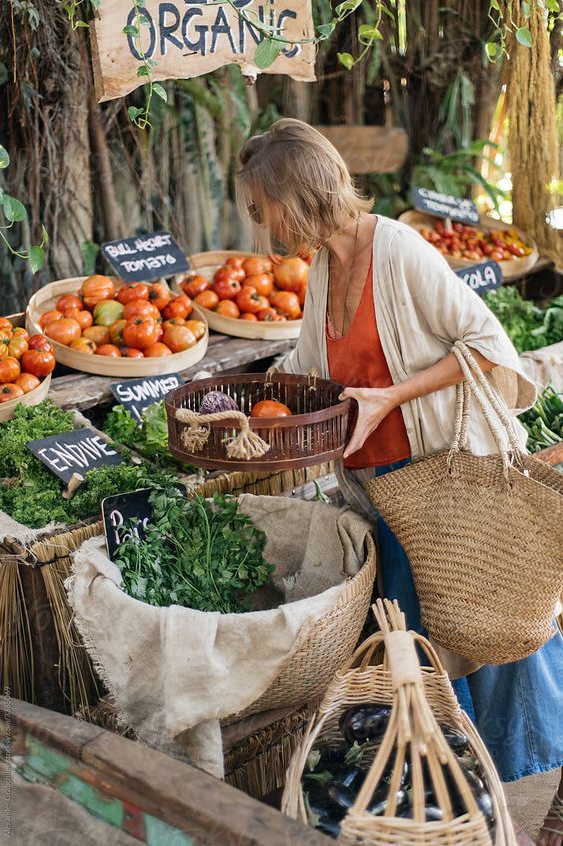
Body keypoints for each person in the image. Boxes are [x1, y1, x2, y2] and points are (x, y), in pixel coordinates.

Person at [236, 118, 563, 846]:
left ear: (303, 193)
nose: (264, 227)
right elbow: (309, 365)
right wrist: (250, 402)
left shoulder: (401, 250)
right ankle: (458, 803)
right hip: (381, 489)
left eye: (266, 208)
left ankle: (515, 790)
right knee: (422, 647)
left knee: (488, 627)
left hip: (442, 487)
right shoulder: (323, 264)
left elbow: (491, 348)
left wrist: (394, 394)